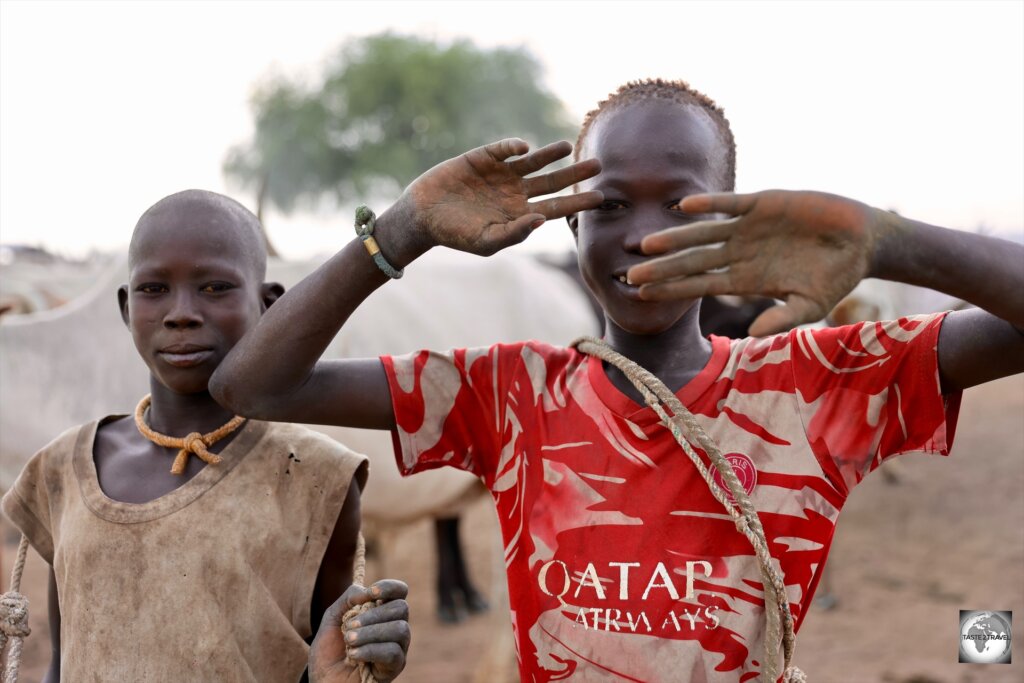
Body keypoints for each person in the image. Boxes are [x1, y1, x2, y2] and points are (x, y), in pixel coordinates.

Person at [209, 79, 1024, 681]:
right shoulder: (512, 392)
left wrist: (890, 243)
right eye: (608, 206)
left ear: (731, 217)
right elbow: (253, 384)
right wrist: (402, 230)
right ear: (569, 222)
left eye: (681, 203)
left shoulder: (814, 385)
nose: (642, 237)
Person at [0, 190, 410, 682]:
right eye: (154, 289)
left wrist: (364, 659)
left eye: (214, 288)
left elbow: (326, 666)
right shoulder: (65, 469)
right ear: (126, 308)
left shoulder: (316, 477)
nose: (181, 313)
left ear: (269, 305)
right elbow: (64, 665)